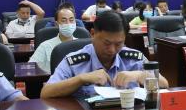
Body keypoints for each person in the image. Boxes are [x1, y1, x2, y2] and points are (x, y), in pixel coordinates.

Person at [41, 11, 169, 99]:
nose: (112, 50)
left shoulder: (134, 58)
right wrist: (81, 79)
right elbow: (46, 93)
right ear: (92, 34)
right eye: (106, 43)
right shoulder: (75, 61)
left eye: (118, 44)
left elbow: (165, 84)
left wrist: (140, 75)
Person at [29, 5, 79, 72]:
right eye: (64, 20)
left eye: (71, 20)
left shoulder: (83, 46)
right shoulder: (45, 46)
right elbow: (30, 67)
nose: (68, 23)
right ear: (56, 24)